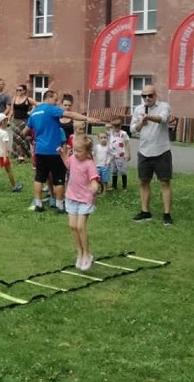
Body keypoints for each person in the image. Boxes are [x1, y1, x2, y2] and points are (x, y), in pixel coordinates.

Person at [23, 89, 99, 214]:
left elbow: (25, 131)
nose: (56, 102)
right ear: (48, 98)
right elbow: (71, 115)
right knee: (58, 178)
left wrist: (36, 136)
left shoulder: (34, 113)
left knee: (39, 178)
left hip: (40, 150)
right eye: (55, 99)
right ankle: (59, 206)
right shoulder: (51, 109)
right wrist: (87, 118)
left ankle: (38, 204)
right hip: (55, 150)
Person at [130, 85, 174, 226]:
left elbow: (163, 119)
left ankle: (167, 214)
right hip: (144, 151)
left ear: (156, 95)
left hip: (161, 151)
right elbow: (133, 128)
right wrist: (141, 123)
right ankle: (145, 212)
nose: (147, 98)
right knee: (143, 182)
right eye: (144, 96)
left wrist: (149, 117)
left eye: (150, 95)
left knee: (164, 182)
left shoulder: (164, 106)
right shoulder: (138, 109)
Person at [60, 135, 100, 271]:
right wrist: (63, 155)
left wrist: (94, 186)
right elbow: (68, 164)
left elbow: (94, 179)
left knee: (80, 227)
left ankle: (87, 254)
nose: (75, 153)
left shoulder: (89, 164)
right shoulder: (73, 158)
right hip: (71, 197)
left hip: (84, 199)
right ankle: (79, 253)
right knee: (72, 226)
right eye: (74, 150)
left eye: (79, 151)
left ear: (87, 152)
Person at [0, 113, 23, 194]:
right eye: (6, 120)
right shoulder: (4, 133)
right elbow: (4, 146)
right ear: (3, 122)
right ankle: (14, 186)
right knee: (9, 170)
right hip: (2, 155)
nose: (8, 122)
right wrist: (5, 156)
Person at [10, 84, 37, 163]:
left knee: (24, 138)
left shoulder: (28, 99)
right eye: (17, 90)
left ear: (24, 91)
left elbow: (37, 105)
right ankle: (19, 156)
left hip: (25, 120)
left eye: (20, 90)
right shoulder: (14, 99)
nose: (18, 91)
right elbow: (12, 110)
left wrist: (31, 112)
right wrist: (8, 118)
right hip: (15, 120)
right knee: (16, 138)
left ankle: (25, 155)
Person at [108, 117, 131, 191]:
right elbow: (106, 125)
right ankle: (114, 186)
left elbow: (127, 144)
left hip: (120, 155)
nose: (116, 128)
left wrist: (128, 153)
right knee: (114, 171)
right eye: (114, 126)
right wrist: (111, 125)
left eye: (118, 126)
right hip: (112, 155)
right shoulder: (111, 132)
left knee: (122, 171)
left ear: (120, 126)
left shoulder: (123, 133)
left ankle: (124, 186)